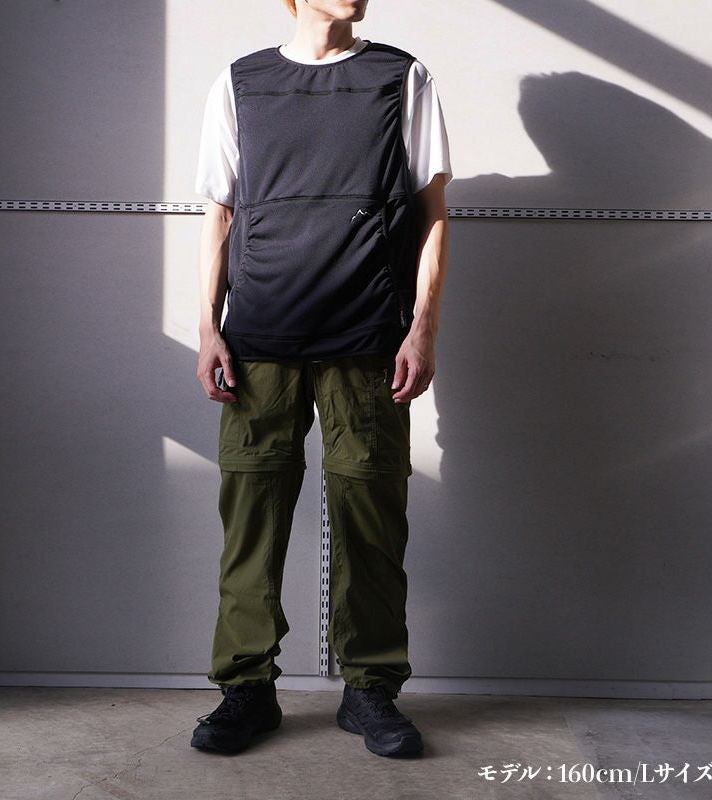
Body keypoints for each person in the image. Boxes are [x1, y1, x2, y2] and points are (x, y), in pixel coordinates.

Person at [190, 0, 451, 758]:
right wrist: (208, 327)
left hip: (368, 338)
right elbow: (219, 213)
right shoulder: (241, 82)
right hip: (260, 338)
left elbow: (434, 215)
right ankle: (246, 688)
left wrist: (423, 327)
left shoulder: (402, 78)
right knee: (251, 520)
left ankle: (370, 689)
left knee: (372, 520)